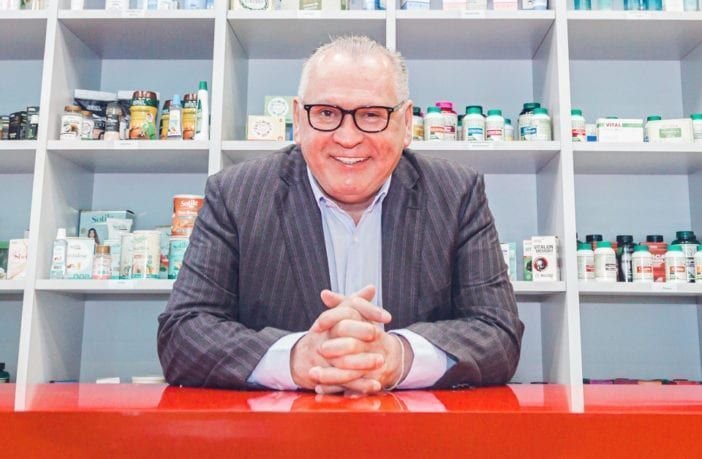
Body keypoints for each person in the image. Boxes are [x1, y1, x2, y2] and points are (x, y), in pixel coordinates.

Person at [157, 36, 523, 395]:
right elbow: (182, 332)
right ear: (298, 119)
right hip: (283, 430)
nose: (348, 138)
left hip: (412, 428)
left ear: (406, 123)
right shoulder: (236, 194)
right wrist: (296, 358)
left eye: (372, 115)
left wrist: (398, 356)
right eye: (327, 113)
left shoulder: (457, 193)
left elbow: (498, 332)